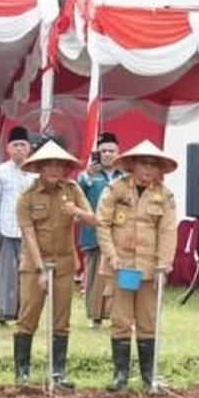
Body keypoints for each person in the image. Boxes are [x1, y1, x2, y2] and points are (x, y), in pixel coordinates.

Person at [95, 141, 177, 392]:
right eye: (143, 163)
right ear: (132, 165)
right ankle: (120, 374)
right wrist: (111, 255)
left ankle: (148, 375)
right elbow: (102, 224)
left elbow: (168, 231)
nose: (148, 169)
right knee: (120, 319)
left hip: (148, 268)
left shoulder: (164, 195)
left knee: (148, 320)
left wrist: (165, 265)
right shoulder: (115, 189)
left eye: (153, 165)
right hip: (119, 266)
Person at [14, 140, 97, 387]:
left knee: (62, 318)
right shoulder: (27, 197)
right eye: (48, 164)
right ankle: (22, 371)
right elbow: (28, 235)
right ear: (39, 167)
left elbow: (94, 220)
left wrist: (77, 213)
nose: (53, 169)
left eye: (58, 165)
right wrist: (40, 269)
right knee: (28, 315)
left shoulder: (72, 190)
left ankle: (57, 372)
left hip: (64, 263)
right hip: (34, 263)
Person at [0, 127, 34, 327]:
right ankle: (4, 314)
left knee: (28, 274)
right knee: (6, 274)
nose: (19, 149)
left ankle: (25, 313)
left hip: (30, 231)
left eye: (23, 144)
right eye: (15, 145)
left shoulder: (36, 173)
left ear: (29, 148)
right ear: (8, 148)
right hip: (5, 229)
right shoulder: (0, 172)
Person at [77, 132, 123, 327]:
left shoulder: (125, 175)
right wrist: (86, 176)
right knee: (95, 276)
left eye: (111, 150)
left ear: (118, 152)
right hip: (93, 233)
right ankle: (95, 317)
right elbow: (76, 196)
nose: (107, 154)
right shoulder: (87, 175)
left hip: (119, 235)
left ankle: (116, 314)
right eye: (103, 151)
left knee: (116, 275)